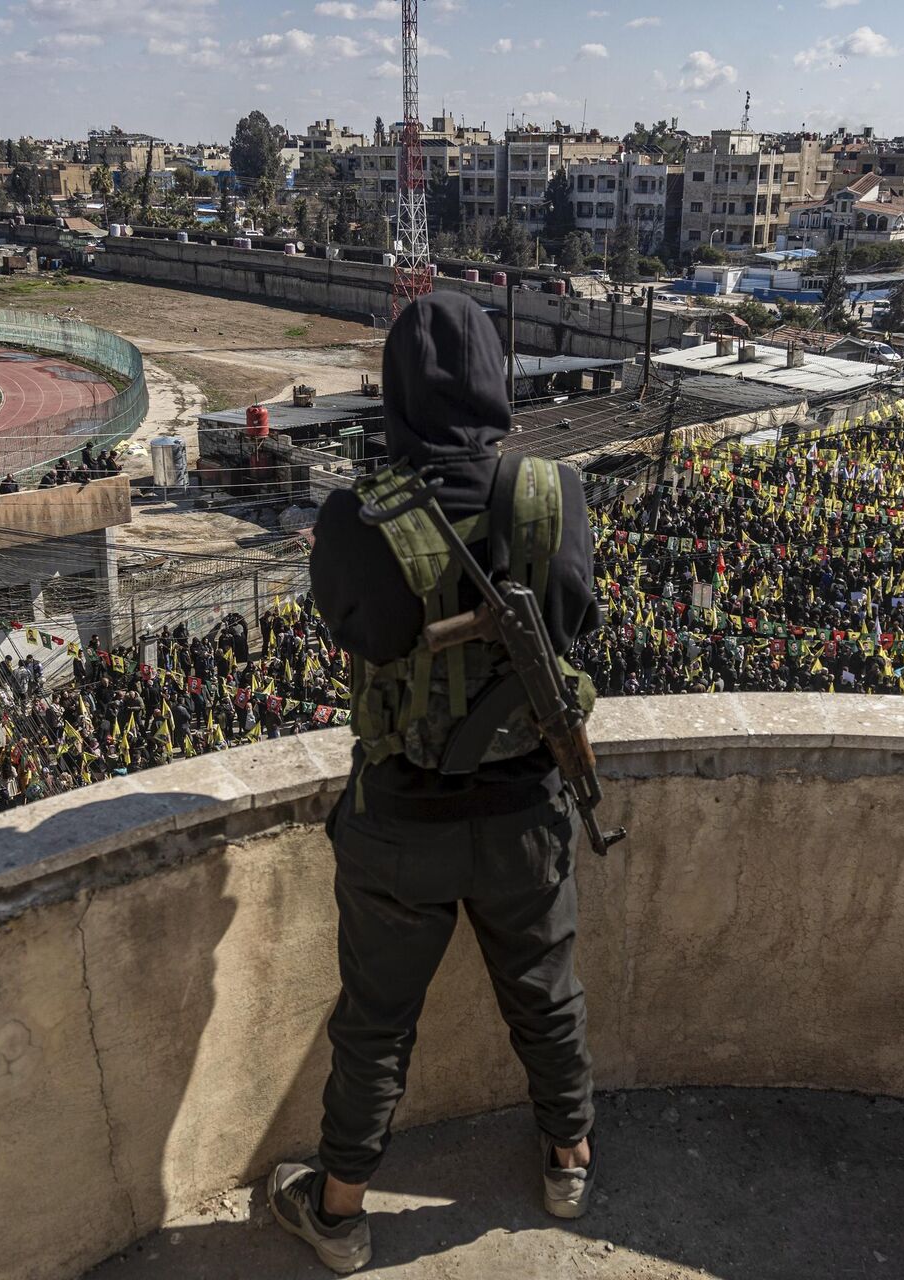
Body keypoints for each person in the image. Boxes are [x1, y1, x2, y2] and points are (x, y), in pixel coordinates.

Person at [269, 293, 601, 1273]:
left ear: (399, 397)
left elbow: (356, 630)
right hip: (525, 811)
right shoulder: (556, 493)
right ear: (498, 380)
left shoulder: (357, 515)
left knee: (375, 1026)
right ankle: (570, 1159)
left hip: (399, 818)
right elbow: (574, 621)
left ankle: (338, 1211)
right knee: (546, 994)